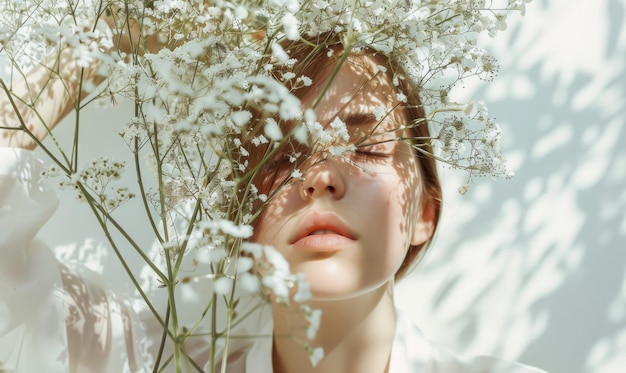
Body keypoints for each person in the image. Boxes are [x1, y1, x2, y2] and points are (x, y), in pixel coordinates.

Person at [0, 24, 546, 373]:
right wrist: (107, 40)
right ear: (244, 218)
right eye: (281, 154)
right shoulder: (143, 361)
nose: (321, 177)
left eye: (368, 146)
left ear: (424, 213)